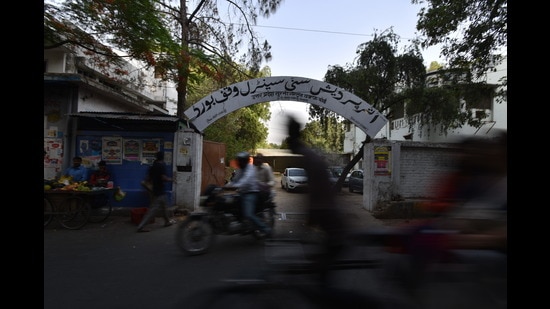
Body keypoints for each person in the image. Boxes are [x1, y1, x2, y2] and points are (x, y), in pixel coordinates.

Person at [286, 116, 348, 284]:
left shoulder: (309, 158)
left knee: (321, 276)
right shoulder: (310, 156)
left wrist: (307, 223)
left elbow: (317, 197)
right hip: (330, 221)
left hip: (333, 226)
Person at [225, 151, 272, 237]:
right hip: (241, 192)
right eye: (239, 160)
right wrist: (225, 187)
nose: (240, 162)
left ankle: (266, 229)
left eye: (242, 160)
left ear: (245, 161)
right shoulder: (240, 169)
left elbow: (244, 181)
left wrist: (234, 187)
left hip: (251, 193)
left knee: (248, 214)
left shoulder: (250, 169)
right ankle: (239, 222)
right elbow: (235, 180)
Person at [137, 151, 175, 233]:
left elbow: (148, 178)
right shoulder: (162, 166)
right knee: (152, 210)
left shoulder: (153, 166)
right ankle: (141, 226)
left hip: (154, 190)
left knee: (164, 207)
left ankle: (167, 221)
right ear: (162, 157)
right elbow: (163, 178)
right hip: (159, 191)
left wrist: (147, 188)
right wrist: (172, 179)